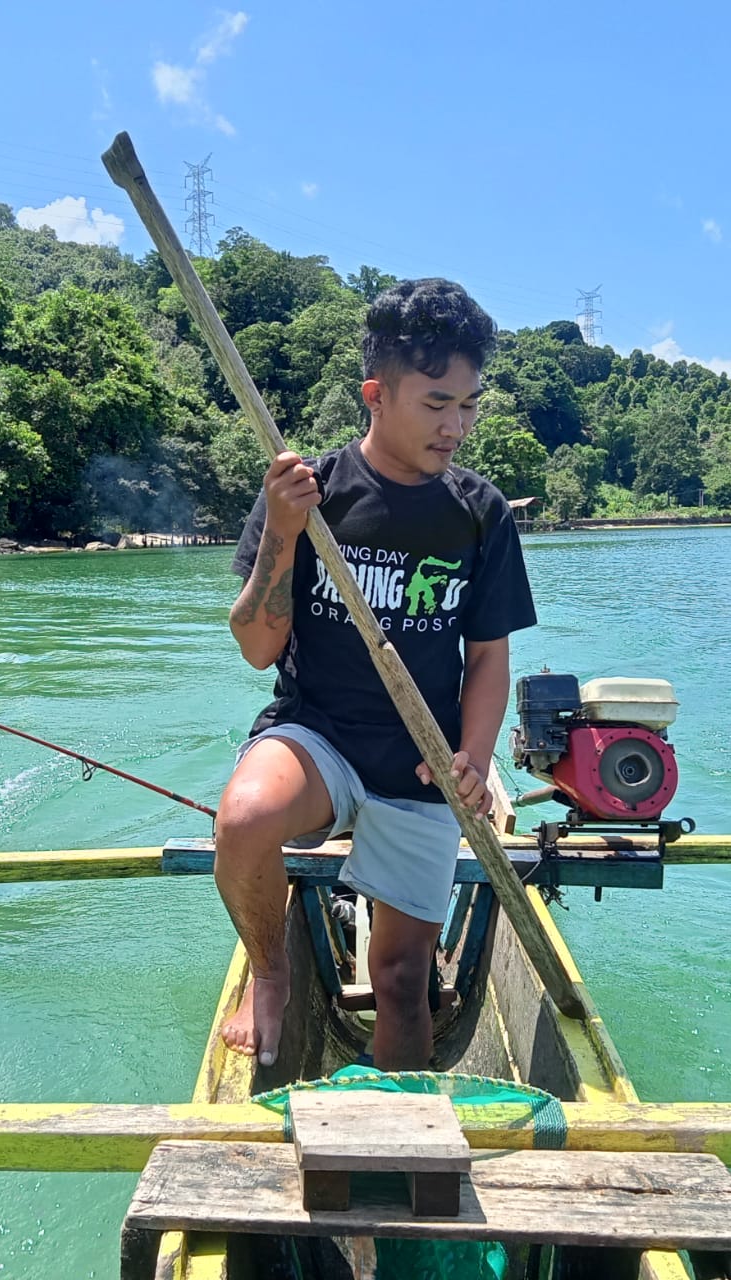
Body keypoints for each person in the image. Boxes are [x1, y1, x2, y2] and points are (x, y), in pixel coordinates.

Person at [215, 278, 537, 1070]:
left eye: (468, 404)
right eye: (435, 404)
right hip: (317, 734)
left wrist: (473, 755)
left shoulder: (479, 511)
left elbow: (488, 657)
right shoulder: (307, 493)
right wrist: (286, 533)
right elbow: (257, 646)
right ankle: (271, 969)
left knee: (400, 984)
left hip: (419, 759)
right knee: (245, 821)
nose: (456, 425)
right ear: (375, 395)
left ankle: (405, 1148)